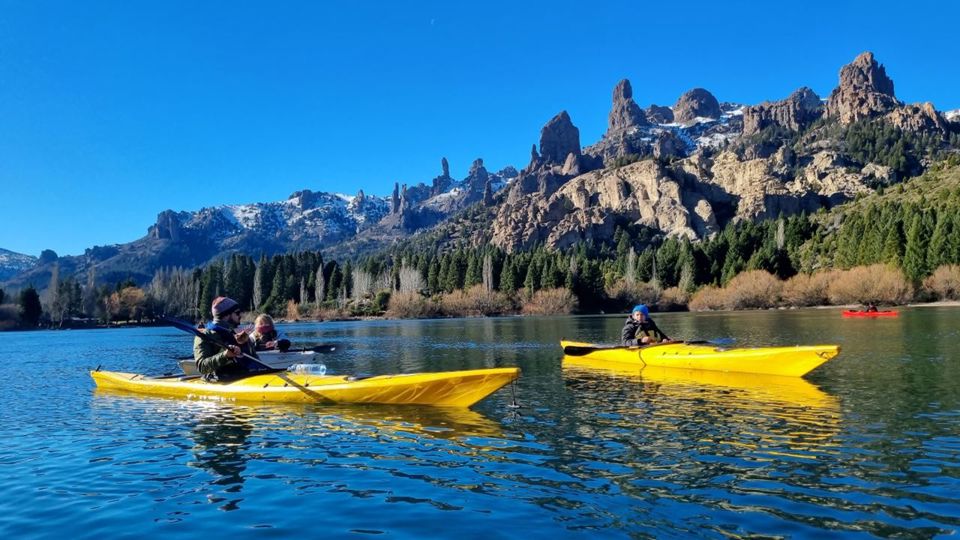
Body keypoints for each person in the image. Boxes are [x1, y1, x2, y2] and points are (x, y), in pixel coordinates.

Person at [194, 296, 260, 381]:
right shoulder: (204, 336)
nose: (240, 316)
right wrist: (225, 355)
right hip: (220, 380)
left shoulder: (234, 334)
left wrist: (246, 343)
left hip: (248, 376)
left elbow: (254, 360)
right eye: (237, 313)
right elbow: (202, 367)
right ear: (226, 315)